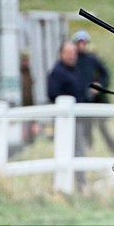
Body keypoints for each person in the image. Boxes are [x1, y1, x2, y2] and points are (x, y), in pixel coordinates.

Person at [48, 41, 88, 190]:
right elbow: (53, 94)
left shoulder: (75, 71)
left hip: (78, 119)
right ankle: (67, 185)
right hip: (65, 121)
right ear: (61, 54)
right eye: (69, 52)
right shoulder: (57, 72)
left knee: (79, 151)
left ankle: (79, 184)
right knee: (69, 151)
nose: (72, 56)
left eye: (74, 52)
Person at [73, 29, 114, 153]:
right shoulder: (73, 60)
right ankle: (88, 150)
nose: (81, 45)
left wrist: (99, 85)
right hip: (82, 101)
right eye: (79, 43)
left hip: (97, 100)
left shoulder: (92, 59)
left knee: (103, 127)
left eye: (83, 43)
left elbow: (106, 75)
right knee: (86, 129)